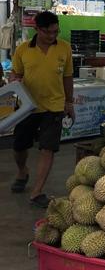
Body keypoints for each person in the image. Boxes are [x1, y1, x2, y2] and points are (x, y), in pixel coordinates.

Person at [10, 11, 74, 207]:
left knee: (48, 148)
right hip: (27, 107)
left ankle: (37, 191)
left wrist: (69, 103)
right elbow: (15, 74)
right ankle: (23, 171)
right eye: (48, 32)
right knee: (19, 147)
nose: (53, 36)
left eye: (56, 31)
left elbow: (67, 77)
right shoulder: (23, 50)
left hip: (54, 106)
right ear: (36, 29)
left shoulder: (64, 48)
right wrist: (15, 79)